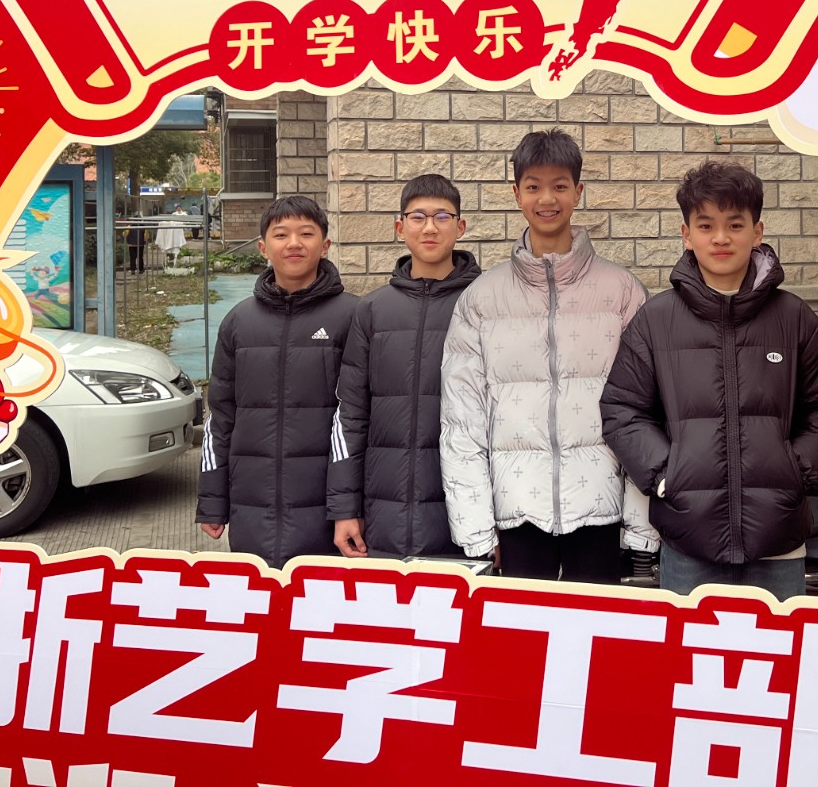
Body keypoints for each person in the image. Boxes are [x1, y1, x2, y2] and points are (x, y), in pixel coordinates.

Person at [600, 160, 818, 601]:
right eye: (706, 225)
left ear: (757, 232)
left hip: (778, 545)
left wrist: (796, 473)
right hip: (688, 544)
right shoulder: (656, 321)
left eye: (735, 224)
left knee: (777, 648)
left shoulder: (794, 318)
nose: (721, 238)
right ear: (687, 234)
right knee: (690, 648)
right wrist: (665, 474)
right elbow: (623, 409)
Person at [441, 129, 656, 582]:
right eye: (534, 186)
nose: (547, 199)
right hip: (516, 513)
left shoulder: (622, 292)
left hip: (601, 510)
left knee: (598, 626)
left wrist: (641, 522)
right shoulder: (482, 298)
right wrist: (476, 528)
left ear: (578, 191)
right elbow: (462, 419)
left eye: (559, 185)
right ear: (516, 194)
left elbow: (646, 411)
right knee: (522, 627)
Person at [196, 195, 357, 566]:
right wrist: (212, 499)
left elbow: (357, 420)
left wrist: (348, 506)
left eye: (306, 233)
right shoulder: (239, 322)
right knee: (259, 595)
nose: (294, 243)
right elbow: (220, 416)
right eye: (281, 234)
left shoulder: (353, 315)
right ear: (263, 247)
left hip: (326, 511)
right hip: (253, 506)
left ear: (326, 245)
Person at [328, 174, 479, 559]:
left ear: (460, 226)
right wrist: (345, 508)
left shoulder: (484, 304)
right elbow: (351, 414)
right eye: (418, 217)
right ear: (400, 227)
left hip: (465, 517)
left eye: (442, 216)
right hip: (384, 516)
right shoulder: (373, 310)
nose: (430, 227)